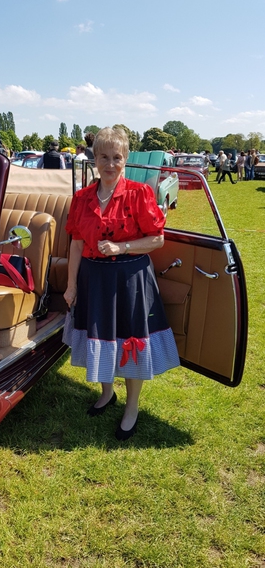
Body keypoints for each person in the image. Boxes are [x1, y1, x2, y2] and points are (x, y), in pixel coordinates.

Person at [63, 127, 179, 441]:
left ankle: (132, 407)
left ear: (125, 158)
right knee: (101, 338)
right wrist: (72, 285)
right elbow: (76, 244)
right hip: (94, 279)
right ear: (95, 159)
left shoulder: (139, 193)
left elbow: (157, 239)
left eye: (117, 157)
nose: (110, 164)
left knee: (129, 340)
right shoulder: (82, 198)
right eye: (104, 157)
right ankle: (107, 393)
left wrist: (122, 247)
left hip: (130, 279)